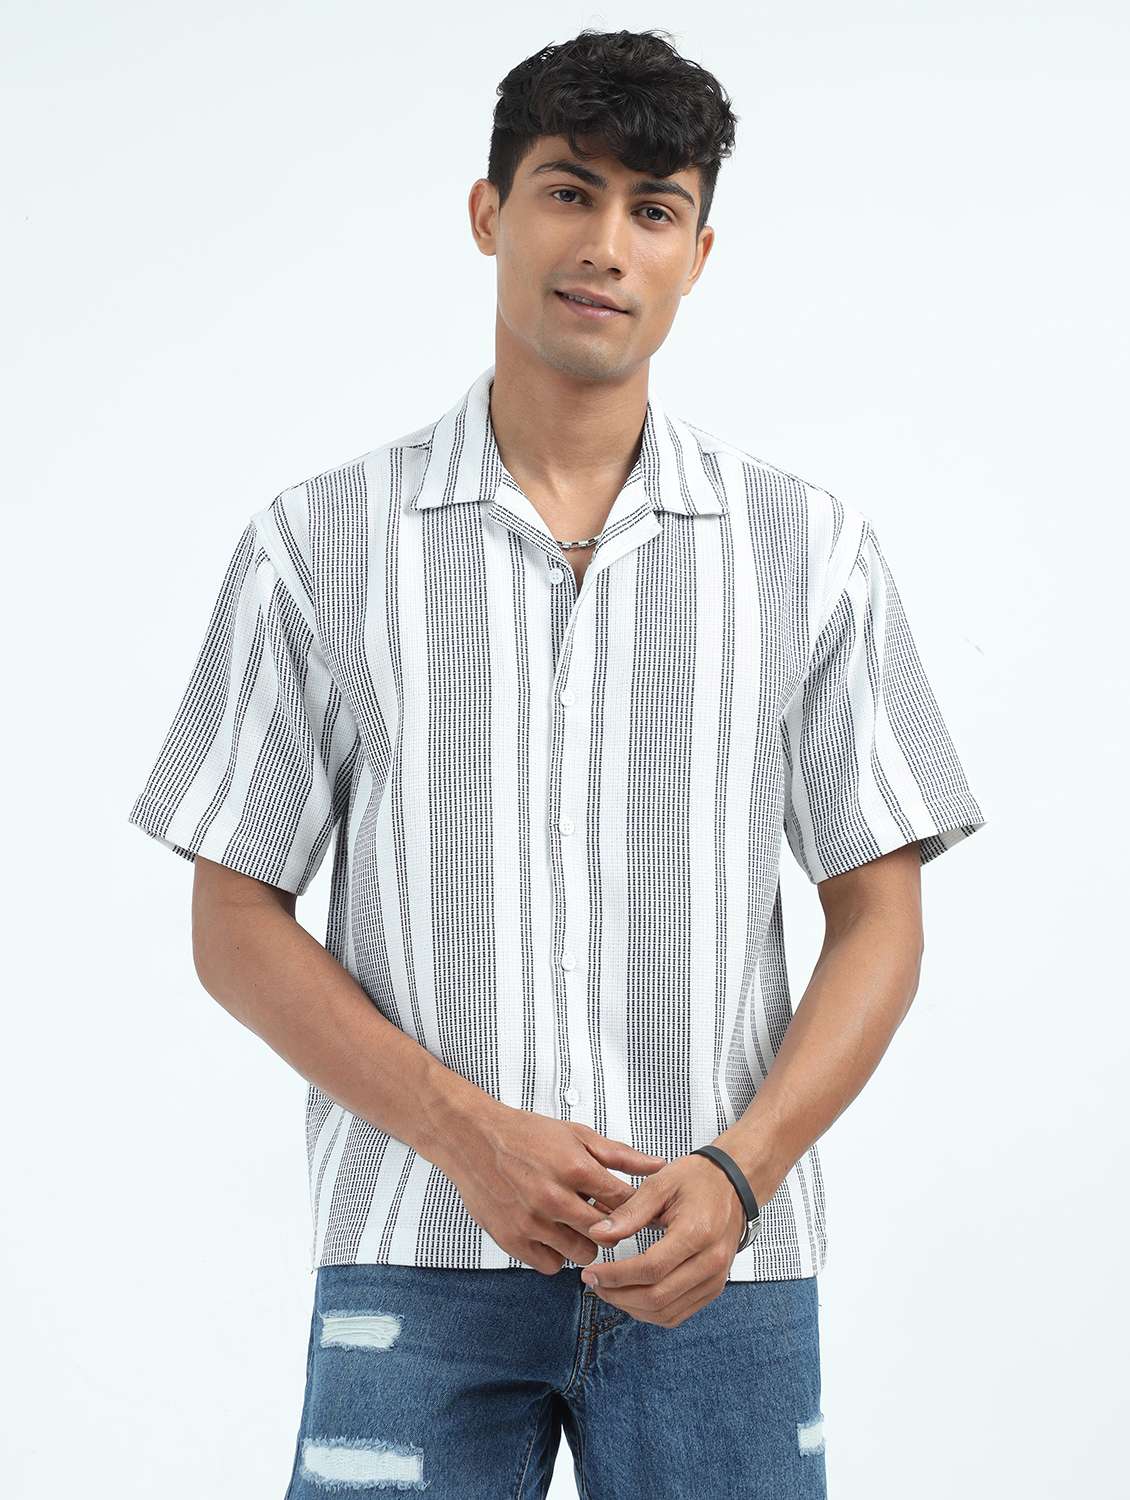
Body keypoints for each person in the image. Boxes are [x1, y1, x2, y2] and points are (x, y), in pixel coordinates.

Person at [127, 26, 986, 1500]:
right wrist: (465, 1137)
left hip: (722, 1268)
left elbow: (880, 920)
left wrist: (739, 1172)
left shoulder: (811, 554)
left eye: (652, 209)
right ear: (489, 212)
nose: (605, 245)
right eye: (568, 191)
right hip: (413, 1251)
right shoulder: (318, 546)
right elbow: (232, 918)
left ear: (698, 253)